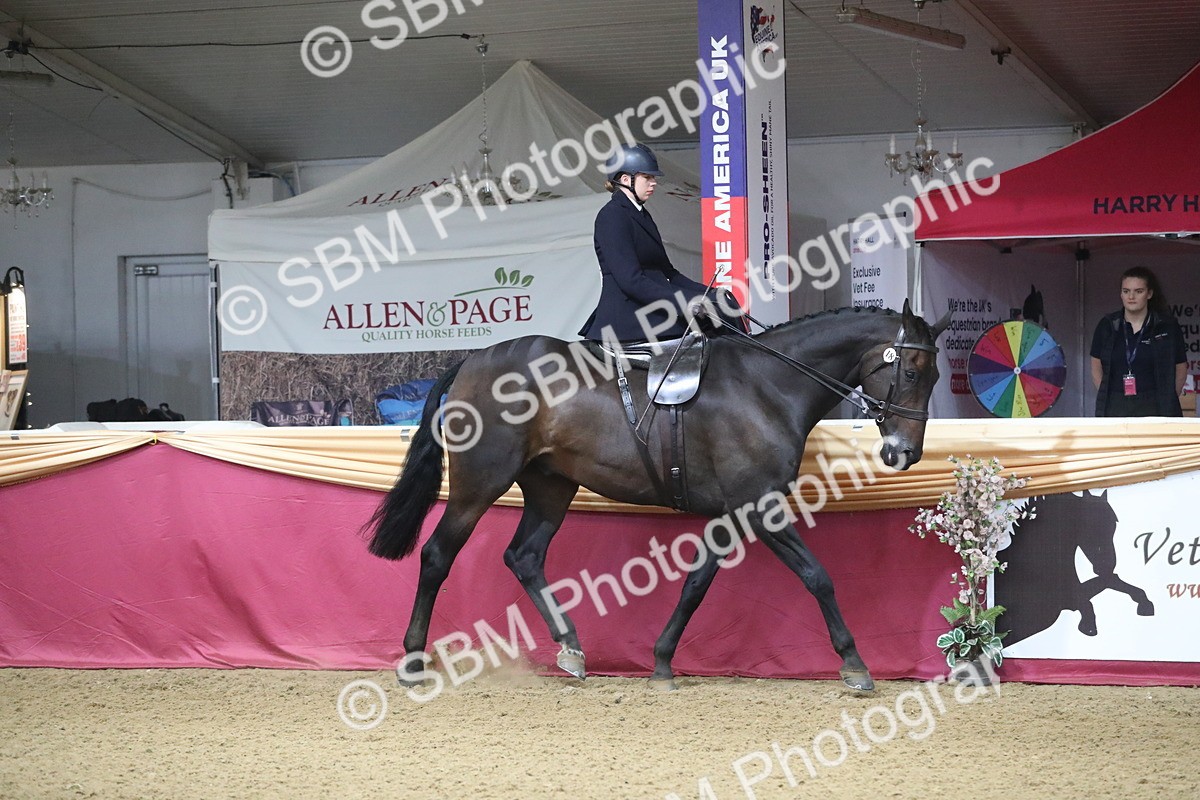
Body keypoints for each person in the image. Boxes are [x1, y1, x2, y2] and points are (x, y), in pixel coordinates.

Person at [578, 142, 742, 344]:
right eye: (647, 177)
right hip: (630, 315)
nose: (653, 182)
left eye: (653, 177)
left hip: (653, 307)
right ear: (625, 179)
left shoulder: (643, 215)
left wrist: (710, 293)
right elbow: (631, 281)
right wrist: (684, 302)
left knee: (721, 309)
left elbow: (669, 273)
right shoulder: (612, 216)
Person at [1089, 266, 1187, 417]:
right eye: (1126, 291)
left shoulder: (1166, 325)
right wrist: (1107, 394)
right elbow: (1096, 364)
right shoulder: (1108, 324)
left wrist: (1168, 398)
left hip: (1156, 404)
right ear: (1121, 294)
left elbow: (1180, 367)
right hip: (1115, 404)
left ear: (1149, 294)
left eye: (1138, 291)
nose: (1131, 297)